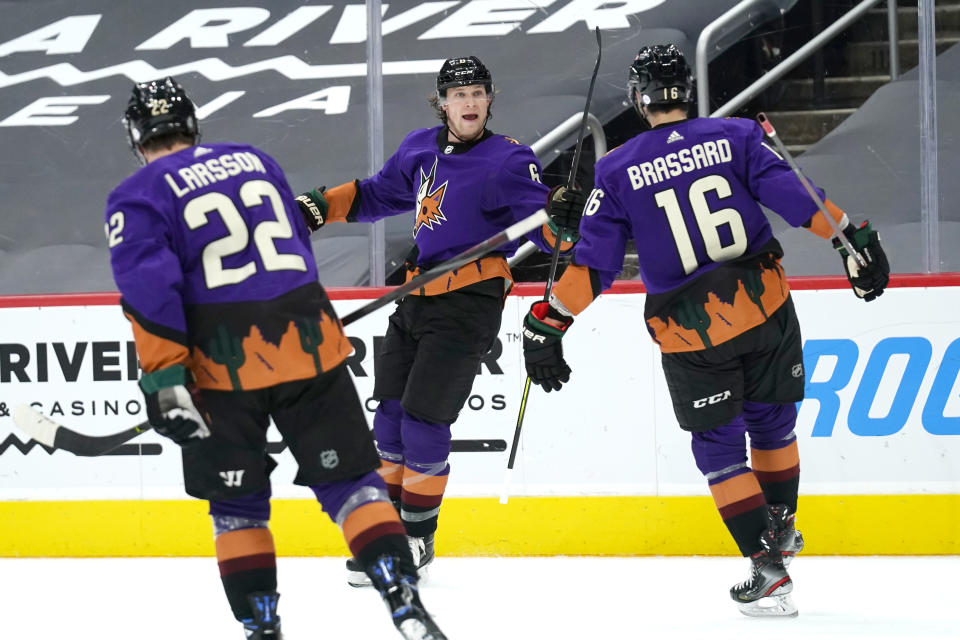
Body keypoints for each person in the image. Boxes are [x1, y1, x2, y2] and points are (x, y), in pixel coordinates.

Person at [520, 44, 889, 617]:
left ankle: (767, 570)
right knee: (772, 424)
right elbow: (797, 197)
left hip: (694, 332)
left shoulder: (615, 169)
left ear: (639, 100)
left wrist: (550, 319)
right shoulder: (738, 135)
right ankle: (781, 528)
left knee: (719, 447)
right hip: (765, 306)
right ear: (686, 92)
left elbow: (594, 265)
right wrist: (852, 238)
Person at [105, 76, 447, 640]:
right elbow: (293, 248)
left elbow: (150, 289)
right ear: (192, 123)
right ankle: (402, 598)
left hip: (221, 369)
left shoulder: (138, 195)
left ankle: (262, 629)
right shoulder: (253, 160)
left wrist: (164, 377)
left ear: (136, 136)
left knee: (238, 507)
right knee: (355, 486)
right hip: (310, 344)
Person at [295, 56, 584, 586]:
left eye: (478, 93)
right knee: (390, 420)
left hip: (469, 304)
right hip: (418, 298)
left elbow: (546, 231)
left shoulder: (508, 161)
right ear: (442, 102)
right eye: (459, 94)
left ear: (490, 99)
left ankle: (415, 537)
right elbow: (377, 194)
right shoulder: (418, 147)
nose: (469, 102)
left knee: (425, 422)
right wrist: (317, 207)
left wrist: (563, 219)